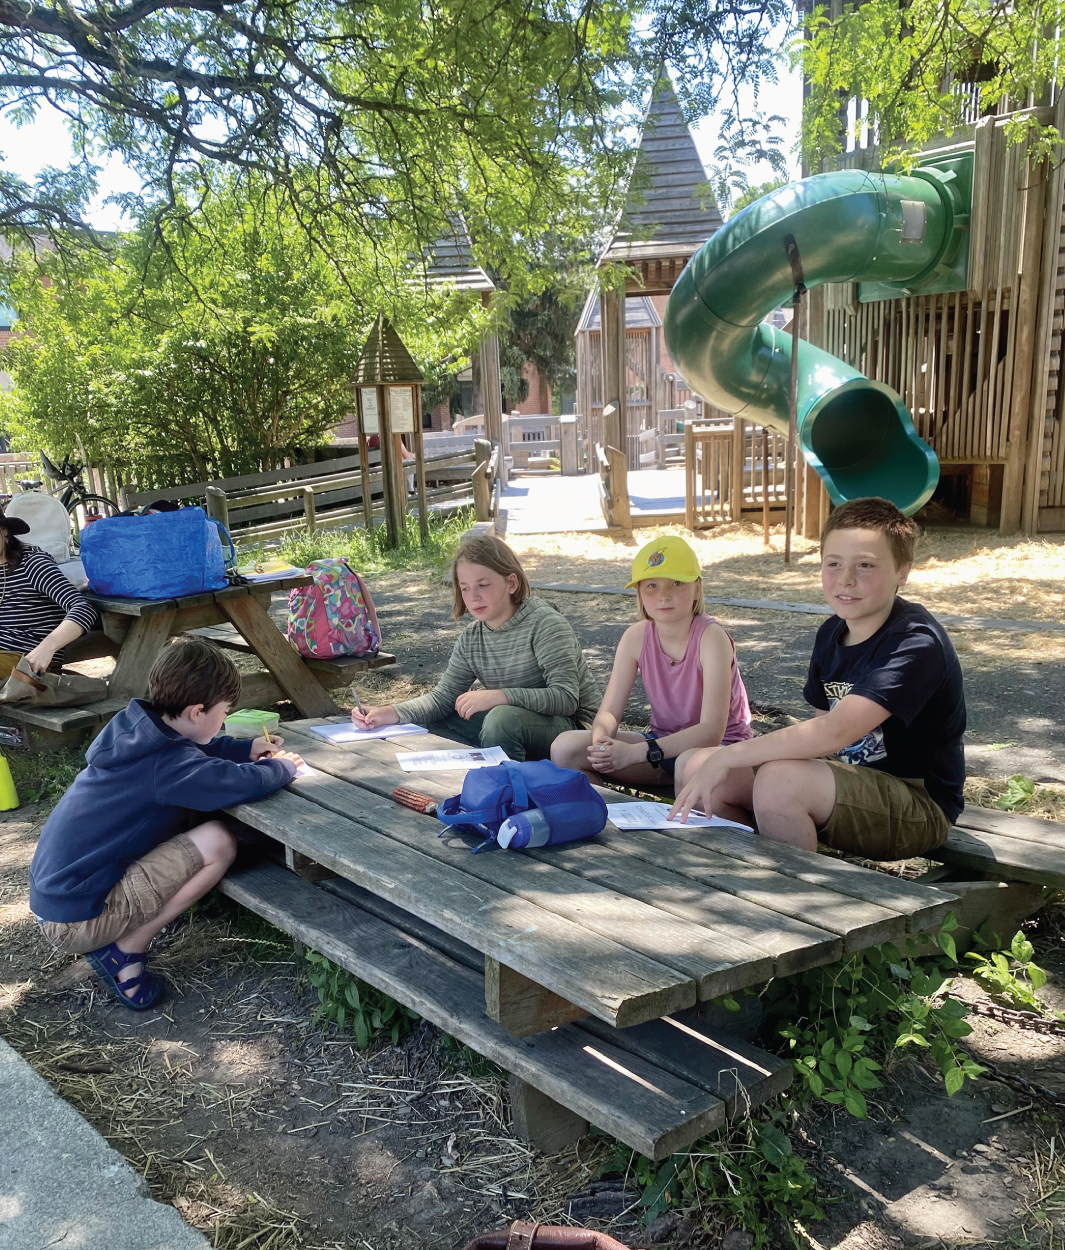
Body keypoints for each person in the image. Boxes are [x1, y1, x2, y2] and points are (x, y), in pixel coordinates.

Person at [670, 497, 966, 860]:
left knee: (779, 782)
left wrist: (731, 755)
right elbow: (821, 735)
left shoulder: (916, 643)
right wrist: (721, 760)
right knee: (694, 764)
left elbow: (833, 732)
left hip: (919, 804)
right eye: (834, 564)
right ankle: (741, 869)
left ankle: (795, 894)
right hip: (848, 780)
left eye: (866, 565)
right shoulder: (832, 633)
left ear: (902, 572)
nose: (847, 579)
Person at [29, 638, 303, 1010]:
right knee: (218, 841)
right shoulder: (168, 765)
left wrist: (242, 749)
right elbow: (231, 783)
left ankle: (123, 935)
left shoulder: (137, 729)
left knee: (199, 830)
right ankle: (126, 950)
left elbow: (186, 753)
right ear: (196, 712)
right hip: (77, 921)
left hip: (59, 901)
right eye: (224, 713)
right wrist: (280, 768)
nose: (224, 722)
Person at [352, 534, 600, 760]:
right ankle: (467, 777)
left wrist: (499, 696)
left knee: (501, 719)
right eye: (465, 588)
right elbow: (442, 698)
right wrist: (388, 713)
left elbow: (566, 698)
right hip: (518, 722)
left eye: (484, 585)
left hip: (575, 729)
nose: (473, 596)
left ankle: (514, 789)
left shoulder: (546, 624)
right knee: (441, 717)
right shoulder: (471, 638)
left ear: (511, 583)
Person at [551, 536, 752, 800]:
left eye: (677, 583)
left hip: (717, 753)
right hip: (661, 748)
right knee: (565, 747)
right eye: (652, 586)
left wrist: (636, 753)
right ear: (639, 593)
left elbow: (711, 732)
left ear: (697, 589)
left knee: (688, 763)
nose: (663, 596)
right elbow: (609, 711)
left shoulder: (711, 637)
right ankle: (609, 823)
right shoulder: (635, 636)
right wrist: (602, 742)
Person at [0, 512, 96, 678]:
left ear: (4, 530)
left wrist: (47, 647)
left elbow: (83, 609)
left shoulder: (32, 563)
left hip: (25, 662)